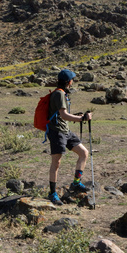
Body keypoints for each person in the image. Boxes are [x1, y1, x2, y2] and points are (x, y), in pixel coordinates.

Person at [47, 69, 92, 206]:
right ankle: (52, 193)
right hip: (57, 132)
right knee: (57, 162)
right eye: (72, 80)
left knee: (83, 152)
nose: (73, 82)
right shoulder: (59, 94)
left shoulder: (63, 94)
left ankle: (76, 183)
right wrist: (81, 118)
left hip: (65, 130)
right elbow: (64, 115)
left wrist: (78, 116)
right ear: (69, 81)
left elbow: (63, 115)